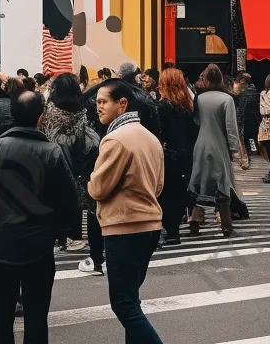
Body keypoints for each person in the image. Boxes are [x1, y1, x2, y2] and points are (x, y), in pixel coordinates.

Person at [0, 91, 79, 344]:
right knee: (37, 317)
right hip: (39, 245)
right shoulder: (53, 152)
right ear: (40, 118)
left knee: (0, 316)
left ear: (12, 116)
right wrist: (55, 231)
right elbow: (70, 202)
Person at [88, 79, 165, 344]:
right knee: (131, 300)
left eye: (103, 102)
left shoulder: (115, 140)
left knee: (123, 305)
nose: (98, 107)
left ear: (122, 103)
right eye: (97, 102)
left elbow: (98, 188)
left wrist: (89, 181)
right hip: (149, 226)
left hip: (123, 228)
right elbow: (158, 186)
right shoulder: (150, 138)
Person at [42, 73, 99, 257]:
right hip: (80, 159)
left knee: (56, 198)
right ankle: (76, 235)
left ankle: (60, 236)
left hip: (55, 160)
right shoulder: (84, 109)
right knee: (78, 197)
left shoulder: (49, 111)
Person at [188, 63, 239, 236]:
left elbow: (195, 122)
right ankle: (226, 225)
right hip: (219, 146)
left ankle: (194, 221)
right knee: (222, 184)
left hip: (200, 144)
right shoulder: (227, 99)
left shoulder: (199, 98)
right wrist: (234, 150)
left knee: (199, 181)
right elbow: (231, 128)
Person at [155, 67, 196, 244]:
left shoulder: (163, 106)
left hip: (167, 155)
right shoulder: (188, 106)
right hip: (186, 155)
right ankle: (174, 230)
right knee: (179, 192)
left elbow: (159, 133)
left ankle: (168, 230)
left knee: (165, 193)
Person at [117, 62, 162, 138]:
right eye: (143, 80)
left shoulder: (126, 91)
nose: (144, 81)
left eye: (146, 81)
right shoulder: (140, 92)